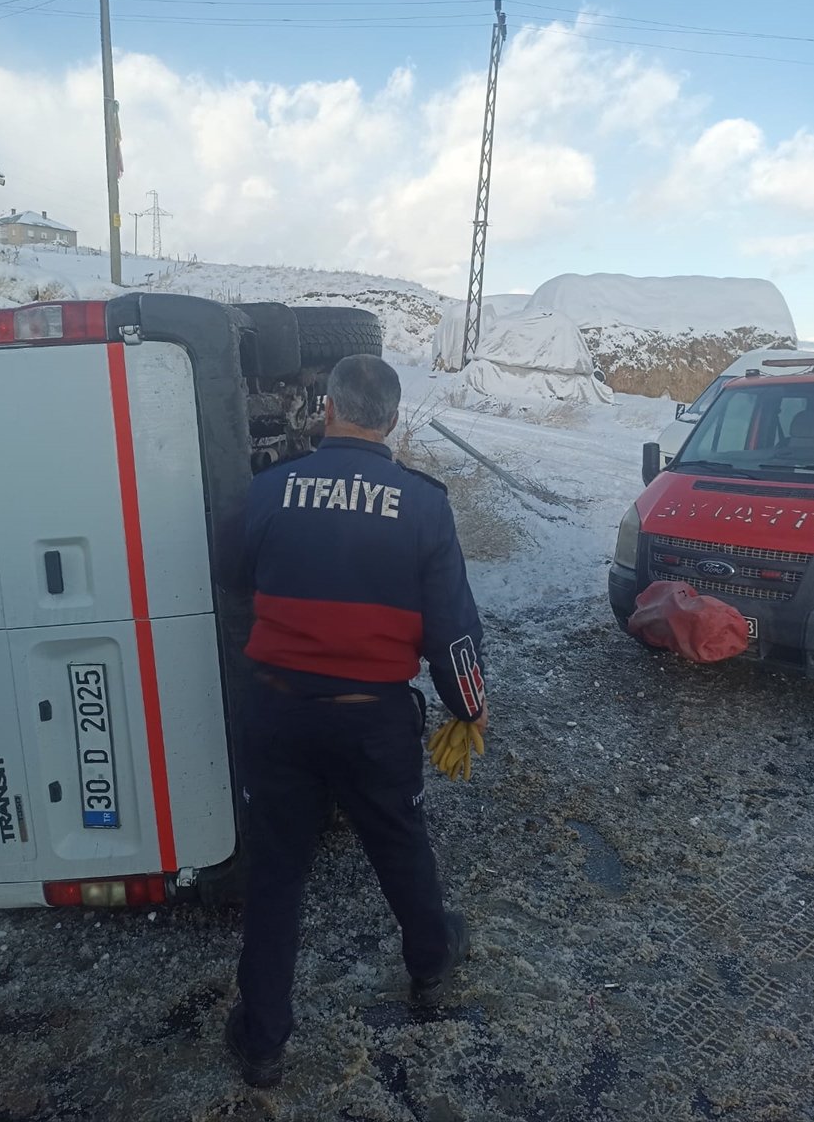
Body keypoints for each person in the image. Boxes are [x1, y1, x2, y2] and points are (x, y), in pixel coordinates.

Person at [224, 354, 487, 1089]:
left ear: (328, 411)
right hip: (372, 721)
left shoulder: (267, 490)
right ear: (393, 421)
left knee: (277, 874)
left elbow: (232, 575)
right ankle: (431, 964)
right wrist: (467, 705)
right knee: (400, 847)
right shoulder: (424, 504)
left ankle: (263, 1041)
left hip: (276, 712)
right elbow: (452, 630)